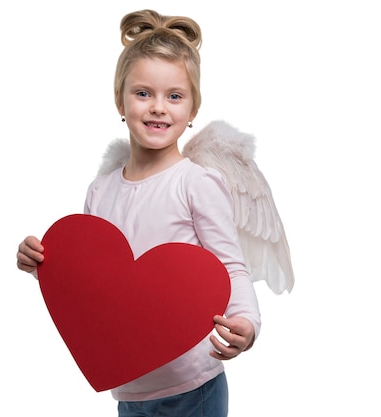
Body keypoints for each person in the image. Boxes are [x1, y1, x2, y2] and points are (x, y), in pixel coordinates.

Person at [16, 9, 261, 417]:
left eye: (175, 96)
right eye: (143, 93)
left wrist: (247, 324)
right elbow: (94, 284)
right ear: (120, 101)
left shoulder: (196, 184)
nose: (158, 108)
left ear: (193, 110)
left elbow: (231, 265)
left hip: (193, 386)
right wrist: (45, 263)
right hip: (129, 388)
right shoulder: (101, 190)